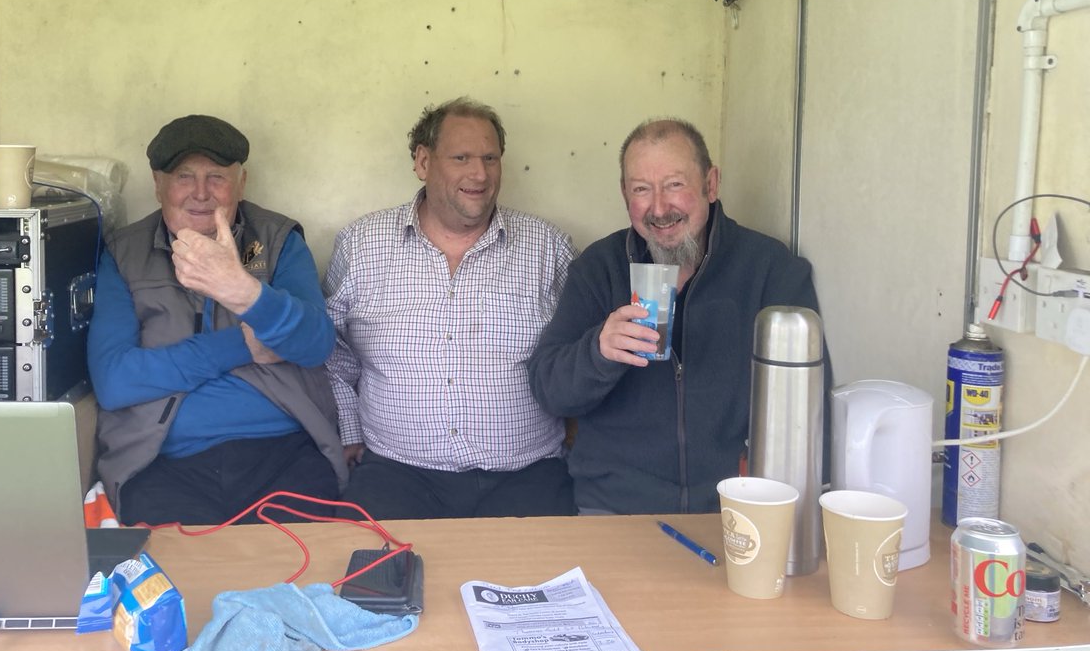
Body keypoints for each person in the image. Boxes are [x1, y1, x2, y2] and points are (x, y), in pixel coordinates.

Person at [526, 118, 829, 514]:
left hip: (736, 508)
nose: (659, 208)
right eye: (641, 189)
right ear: (624, 194)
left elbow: (810, 406)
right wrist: (599, 351)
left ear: (711, 184)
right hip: (614, 509)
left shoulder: (770, 270)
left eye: (674, 185)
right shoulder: (599, 269)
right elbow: (549, 389)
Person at [324, 97, 577, 519]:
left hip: (528, 473)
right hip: (397, 473)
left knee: (546, 582)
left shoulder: (549, 248)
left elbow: (579, 357)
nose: (479, 174)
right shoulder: (361, 245)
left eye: (490, 158)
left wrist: (577, 438)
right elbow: (332, 354)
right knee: (368, 580)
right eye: (461, 157)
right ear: (423, 161)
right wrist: (349, 431)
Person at [88, 114, 346, 526]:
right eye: (184, 177)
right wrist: (242, 345)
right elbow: (115, 381)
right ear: (158, 185)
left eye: (217, 177)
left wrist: (244, 292)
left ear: (241, 183)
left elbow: (316, 343)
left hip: (283, 453)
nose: (201, 193)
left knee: (298, 578)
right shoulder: (123, 254)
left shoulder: (277, 240)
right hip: (161, 461)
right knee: (176, 581)